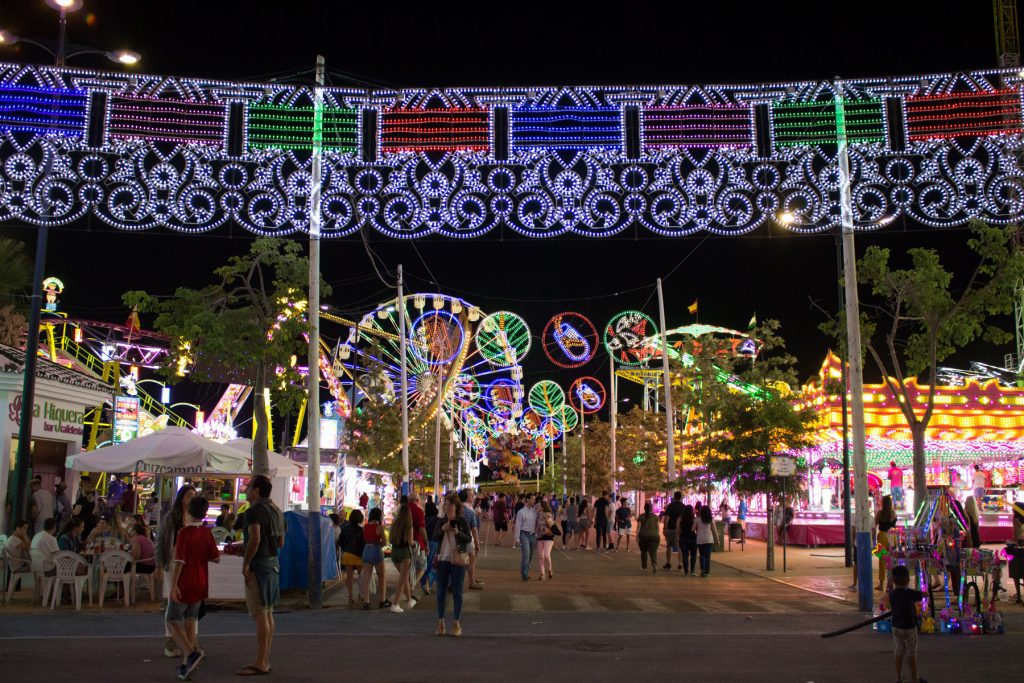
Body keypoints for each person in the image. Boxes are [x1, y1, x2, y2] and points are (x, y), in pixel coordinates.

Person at [167, 496, 219, 681]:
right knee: (190, 621)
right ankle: (186, 666)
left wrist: (173, 586)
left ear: (189, 510)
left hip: (185, 582)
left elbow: (179, 562)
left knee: (172, 619)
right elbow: (216, 557)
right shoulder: (207, 533)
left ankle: (190, 653)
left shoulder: (184, 533)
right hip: (201, 582)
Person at [238, 475, 286, 677]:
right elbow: (281, 542)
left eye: (249, 487)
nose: (246, 490)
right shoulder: (278, 511)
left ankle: (261, 661)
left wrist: (246, 562)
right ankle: (264, 658)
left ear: (256, 490)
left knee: (260, 613)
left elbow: (255, 539)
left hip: (258, 565)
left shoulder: (253, 512)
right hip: (273, 564)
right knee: (268, 613)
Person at [156, 484, 197, 659]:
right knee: (174, 600)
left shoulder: (196, 517)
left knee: (192, 601)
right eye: (189, 495)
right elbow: (161, 541)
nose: (192, 498)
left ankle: (191, 640)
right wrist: (159, 564)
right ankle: (170, 639)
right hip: (173, 560)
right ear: (181, 498)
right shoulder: (171, 518)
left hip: (191, 562)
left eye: (194, 495)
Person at [434, 493, 472, 637]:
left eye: (449, 504)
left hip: (458, 559)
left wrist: (457, 532)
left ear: (456, 506)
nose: (447, 506)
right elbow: (434, 537)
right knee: (441, 592)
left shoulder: (461, 521)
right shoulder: (441, 520)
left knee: (457, 592)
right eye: (445, 504)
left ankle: (456, 623)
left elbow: (468, 539)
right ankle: (441, 622)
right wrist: (443, 529)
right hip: (443, 558)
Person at [888, 564, 926, 683]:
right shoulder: (909, 593)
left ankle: (898, 677)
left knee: (898, 652)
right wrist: (924, 593)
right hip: (909, 627)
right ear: (908, 580)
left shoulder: (892, 593)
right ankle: (915, 678)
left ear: (893, 580)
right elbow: (922, 595)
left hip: (896, 626)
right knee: (911, 653)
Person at [388, 498, 416, 613]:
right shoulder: (409, 525)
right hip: (404, 553)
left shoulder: (394, 523)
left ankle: (409, 600)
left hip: (394, 552)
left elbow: (390, 539)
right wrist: (415, 544)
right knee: (402, 579)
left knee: (404, 577)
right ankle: (395, 604)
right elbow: (410, 542)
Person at [358, 507, 389, 610]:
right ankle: (382, 600)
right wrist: (378, 544)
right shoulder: (379, 527)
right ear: (379, 516)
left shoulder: (365, 526)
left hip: (366, 550)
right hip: (376, 550)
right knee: (382, 576)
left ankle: (366, 602)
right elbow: (384, 543)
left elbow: (365, 539)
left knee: (366, 578)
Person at [338, 508, 365, 607]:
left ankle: (350, 597)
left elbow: (340, 542)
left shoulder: (345, 528)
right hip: (359, 555)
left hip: (348, 554)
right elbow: (363, 543)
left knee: (349, 577)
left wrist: (345, 548)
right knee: (361, 577)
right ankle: (361, 596)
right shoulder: (361, 529)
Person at [458, 489, 483, 590]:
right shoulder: (469, 511)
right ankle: (471, 581)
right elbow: (474, 529)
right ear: (467, 497)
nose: (473, 497)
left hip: (455, 539)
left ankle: (471, 579)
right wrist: (477, 543)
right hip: (466, 539)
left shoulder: (457, 508)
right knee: (470, 559)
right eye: (472, 495)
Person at [874, 495, 898, 590]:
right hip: (892, 536)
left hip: (881, 536)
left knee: (882, 560)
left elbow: (874, 525)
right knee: (891, 559)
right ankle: (891, 582)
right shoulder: (893, 513)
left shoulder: (880, 513)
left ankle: (881, 583)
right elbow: (893, 524)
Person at [513, 492, 538, 581]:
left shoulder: (535, 511)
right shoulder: (521, 512)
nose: (534, 501)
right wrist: (517, 538)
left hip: (533, 535)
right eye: (532, 499)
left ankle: (526, 570)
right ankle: (524, 574)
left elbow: (537, 524)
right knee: (526, 554)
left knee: (531, 555)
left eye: (534, 499)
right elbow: (518, 525)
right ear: (527, 499)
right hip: (524, 534)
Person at [408, 492, 429, 590]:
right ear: (417, 501)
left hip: (403, 544)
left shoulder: (401, 510)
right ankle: (411, 586)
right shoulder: (418, 511)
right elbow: (422, 529)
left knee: (408, 568)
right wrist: (426, 544)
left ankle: (407, 586)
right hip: (417, 543)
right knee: (422, 567)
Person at [694, 504, 718, 578]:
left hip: (700, 540)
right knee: (707, 557)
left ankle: (702, 571)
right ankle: (707, 572)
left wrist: (697, 532)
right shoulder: (711, 520)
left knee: (702, 556)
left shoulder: (697, 519)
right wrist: (717, 540)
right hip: (709, 540)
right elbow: (714, 531)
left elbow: (692, 529)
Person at [661, 491, 684, 569]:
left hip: (671, 528)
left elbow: (666, 518)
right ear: (681, 497)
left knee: (669, 546)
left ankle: (668, 562)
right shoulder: (683, 506)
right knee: (680, 546)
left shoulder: (670, 506)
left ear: (674, 497)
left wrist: (665, 528)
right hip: (680, 529)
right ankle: (680, 563)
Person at [535, 499, 556, 581]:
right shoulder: (537, 515)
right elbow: (536, 526)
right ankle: (542, 574)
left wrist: (546, 518)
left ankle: (550, 570)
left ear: (543, 507)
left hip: (548, 537)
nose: (537, 507)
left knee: (546, 555)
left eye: (539, 506)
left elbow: (551, 525)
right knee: (540, 556)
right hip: (540, 537)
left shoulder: (548, 514)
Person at [636, 502, 660, 572]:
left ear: (644, 508)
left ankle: (644, 567)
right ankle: (654, 563)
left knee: (644, 551)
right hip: (654, 536)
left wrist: (637, 537)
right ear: (651, 509)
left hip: (643, 536)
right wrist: (655, 534)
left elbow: (638, 527)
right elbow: (658, 528)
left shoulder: (641, 516)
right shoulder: (655, 517)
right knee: (653, 551)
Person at [679, 504, 698, 576]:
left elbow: (678, 529)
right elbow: (696, 530)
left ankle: (686, 571)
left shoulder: (681, 519)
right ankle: (692, 570)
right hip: (692, 538)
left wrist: (677, 537)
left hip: (683, 538)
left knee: (685, 555)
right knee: (693, 555)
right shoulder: (694, 519)